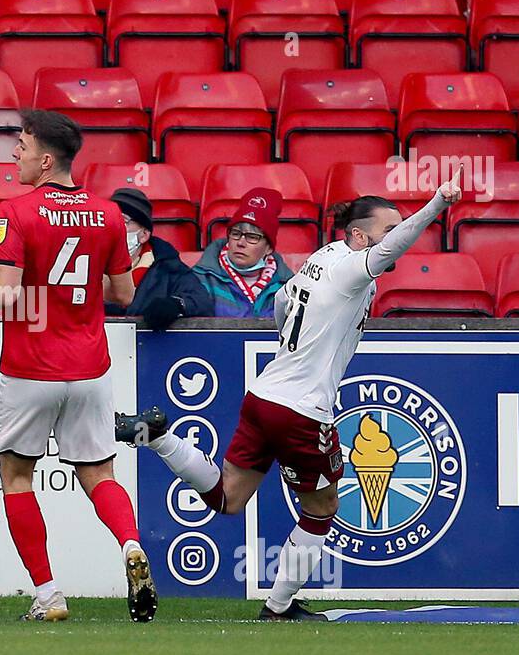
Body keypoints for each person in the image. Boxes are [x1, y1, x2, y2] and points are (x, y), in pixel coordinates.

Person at [117, 180, 462, 621]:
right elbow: (389, 251)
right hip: (301, 410)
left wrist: (292, 348)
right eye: (386, 229)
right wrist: (436, 203)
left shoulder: (320, 260)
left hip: (264, 395)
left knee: (229, 498)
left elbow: (282, 302)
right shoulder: (351, 266)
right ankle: (279, 607)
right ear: (358, 235)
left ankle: (161, 437)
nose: (395, 238)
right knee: (323, 509)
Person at [0, 111, 157, 623]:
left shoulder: (14, 212)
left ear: (45, 158)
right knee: (99, 473)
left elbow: (6, 292)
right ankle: (129, 544)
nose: (15, 154)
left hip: (31, 367)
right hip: (90, 368)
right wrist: (72, 292)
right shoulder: (107, 214)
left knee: (17, 478)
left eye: (21, 145)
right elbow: (124, 294)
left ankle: (48, 595)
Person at [103, 186, 212, 329]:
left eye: (123, 221)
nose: (113, 227)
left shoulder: (167, 267)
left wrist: (175, 304)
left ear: (144, 235)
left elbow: (201, 301)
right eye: (109, 219)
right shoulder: (84, 259)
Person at [191, 187, 294, 319]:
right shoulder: (201, 278)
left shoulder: (287, 287)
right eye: (236, 233)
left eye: (252, 237)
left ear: (268, 248)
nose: (241, 242)